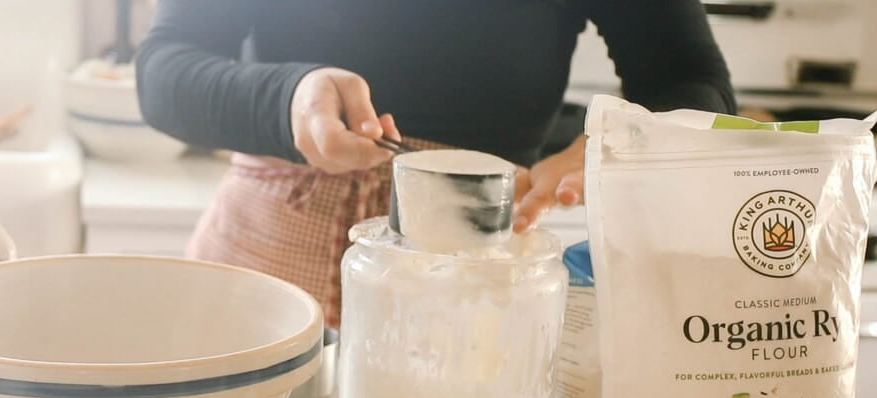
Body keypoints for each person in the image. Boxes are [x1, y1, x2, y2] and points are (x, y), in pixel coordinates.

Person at [136, 1, 736, 327]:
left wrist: (618, 142)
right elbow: (163, 69)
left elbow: (691, 80)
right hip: (262, 269)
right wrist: (288, 99)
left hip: (474, 284)